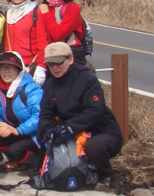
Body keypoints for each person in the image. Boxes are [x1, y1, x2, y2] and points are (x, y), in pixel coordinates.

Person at [36, 42, 122, 181]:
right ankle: (52, 170)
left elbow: (95, 111)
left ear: (70, 59)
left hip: (99, 130)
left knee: (94, 147)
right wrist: (47, 129)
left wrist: (70, 127)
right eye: (51, 64)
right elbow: (46, 113)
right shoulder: (50, 84)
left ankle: (105, 176)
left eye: (59, 63)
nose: (55, 68)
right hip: (69, 130)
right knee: (43, 134)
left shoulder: (87, 79)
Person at [0, 52, 43, 173]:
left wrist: (19, 130)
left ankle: (37, 161)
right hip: (15, 131)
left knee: (15, 150)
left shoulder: (32, 89)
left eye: (10, 67)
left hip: (34, 134)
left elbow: (40, 116)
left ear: (18, 70)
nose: (6, 71)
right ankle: (18, 161)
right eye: (2, 67)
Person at [0, 0, 47, 86]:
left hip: (31, 68)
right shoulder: (6, 14)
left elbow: (43, 44)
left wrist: (41, 67)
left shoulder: (36, 13)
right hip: (11, 67)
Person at [38, 0, 88, 65]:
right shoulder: (42, 7)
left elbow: (59, 35)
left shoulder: (72, 8)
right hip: (49, 56)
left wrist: (46, 13)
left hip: (70, 57)